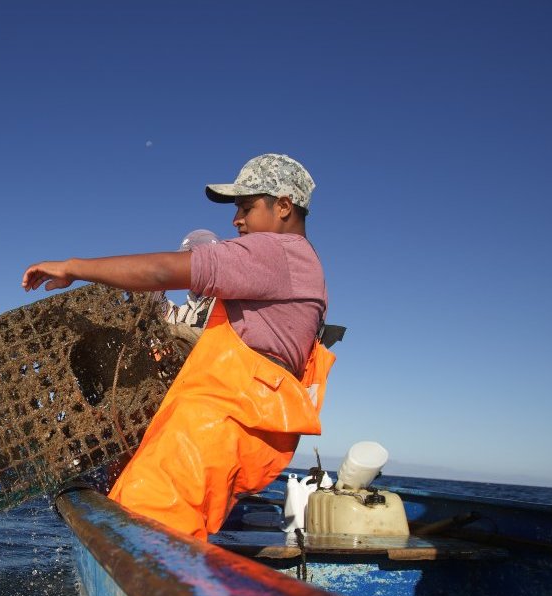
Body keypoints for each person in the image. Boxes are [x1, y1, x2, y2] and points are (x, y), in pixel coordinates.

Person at [21, 154, 334, 539]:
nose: (236, 220)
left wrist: (72, 266)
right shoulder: (305, 266)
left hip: (224, 421)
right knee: (160, 523)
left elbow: (160, 271)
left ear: (284, 206)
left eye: (247, 207)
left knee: (146, 528)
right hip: (246, 425)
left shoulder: (275, 252)